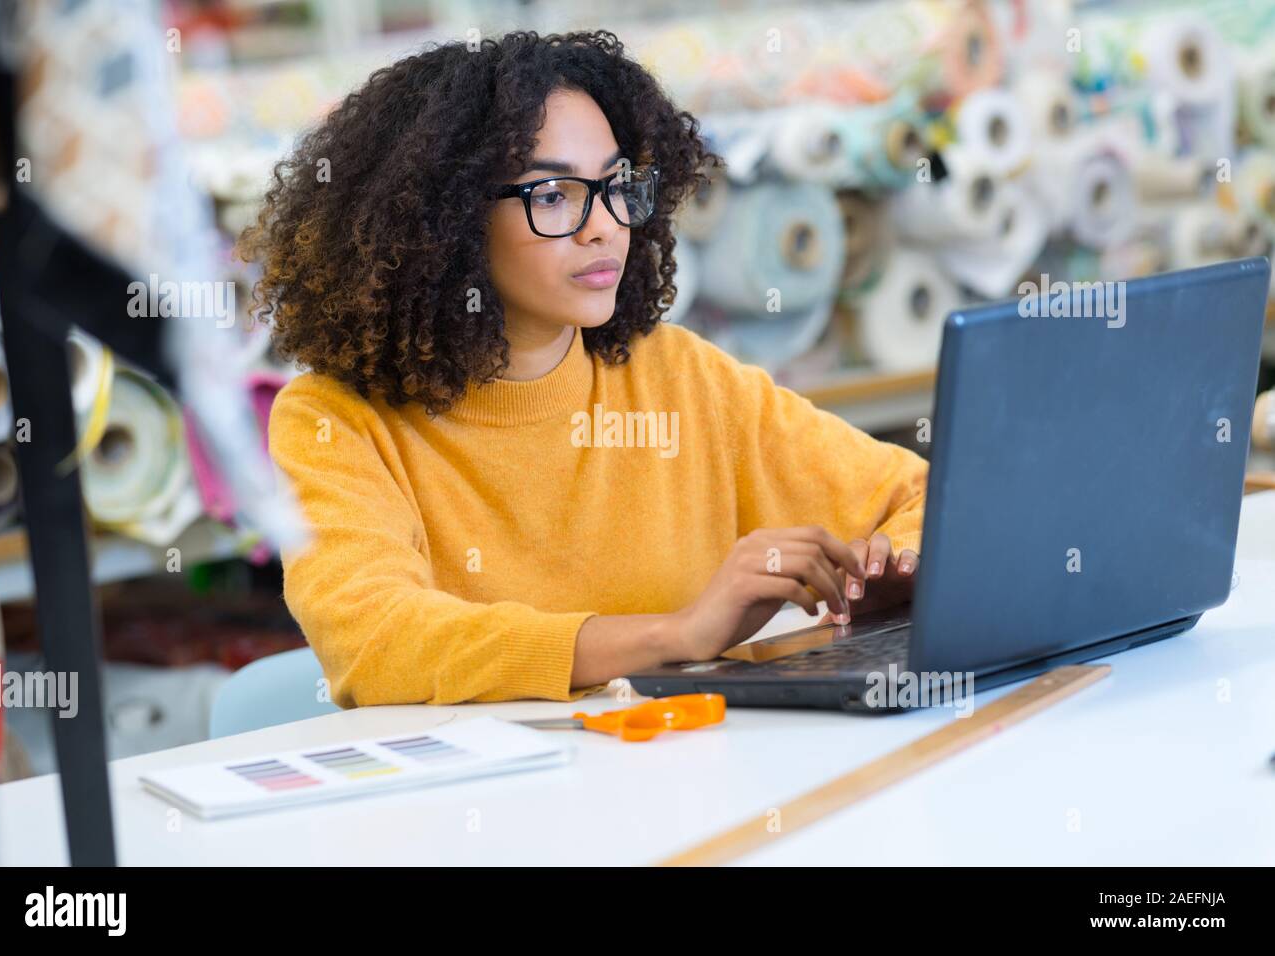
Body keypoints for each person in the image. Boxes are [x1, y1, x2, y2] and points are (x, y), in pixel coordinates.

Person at [243, 31, 928, 708]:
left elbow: (921, 498)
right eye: (552, 195)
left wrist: (882, 573)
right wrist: (674, 635)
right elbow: (377, 640)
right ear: (443, 222)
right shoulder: (333, 420)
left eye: (615, 187)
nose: (604, 226)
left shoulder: (680, 377)